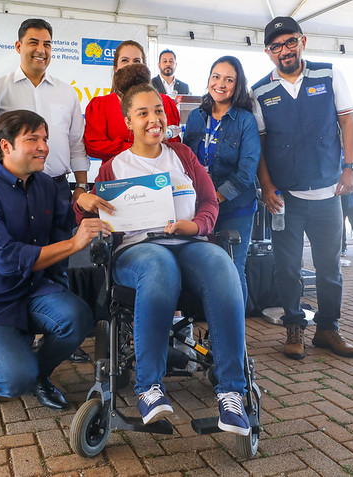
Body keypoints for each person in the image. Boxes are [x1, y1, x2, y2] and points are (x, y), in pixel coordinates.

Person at [74, 84, 250, 436]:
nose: (154, 119)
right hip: (138, 250)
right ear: (128, 121)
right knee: (158, 265)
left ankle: (232, 392)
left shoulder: (182, 155)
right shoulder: (113, 168)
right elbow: (91, 220)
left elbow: (209, 202)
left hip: (188, 241)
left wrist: (196, 224)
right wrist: (84, 202)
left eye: (158, 110)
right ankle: (149, 388)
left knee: (222, 267)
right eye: (143, 113)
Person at [0, 110, 112, 409]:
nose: (44, 146)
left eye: (45, 139)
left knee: (77, 317)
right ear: (6, 146)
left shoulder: (45, 184)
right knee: (12, 381)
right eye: (32, 139)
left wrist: (83, 200)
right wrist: (75, 244)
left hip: (29, 289)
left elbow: (65, 217)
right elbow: (7, 258)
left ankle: (40, 375)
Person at [252, 16, 353, 361]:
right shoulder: (260, 91)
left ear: (303, 42)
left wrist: (350, 167)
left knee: (330, 266)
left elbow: (347, 120)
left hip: (329, 193)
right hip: (287, 198)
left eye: (290, 42)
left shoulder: (329, 75)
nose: (285, 50)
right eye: (277, 46)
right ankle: (294, 328)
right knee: (286, 268)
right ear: (268, 52)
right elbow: (260, 143)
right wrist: (266, 186)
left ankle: (328, 328)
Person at [0, 18, 91, 361]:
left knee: (59, 264)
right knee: (17, 264)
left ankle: (59, 337)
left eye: (47, 44)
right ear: (18, 46)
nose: (41, 50)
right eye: (34, 42)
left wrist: (81, 187)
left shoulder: (67, 92)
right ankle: (17, 336)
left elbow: (77, 144)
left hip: (58, 189)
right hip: (13, 191)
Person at [183, 56, 260, 301]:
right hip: (200, 208)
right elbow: (186, 160)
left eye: (229, 79)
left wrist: (215, 197)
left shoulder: (245, 120)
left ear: (237, 85)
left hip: (235, 208)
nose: (220, 84)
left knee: (233, 269)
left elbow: (247, 170)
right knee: (204, 269)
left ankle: (236, 336)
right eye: (216, 76)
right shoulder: (197, 116)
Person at [84, 40, 180, 163]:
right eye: (125, 60)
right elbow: (95, 146)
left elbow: (172, 144)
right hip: (116, 178)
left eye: (137, 61)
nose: (131, 65)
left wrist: (121, 147)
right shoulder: (100, 105)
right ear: (116, 68)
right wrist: (140, 147)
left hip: (158, 177)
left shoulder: (165, 103)